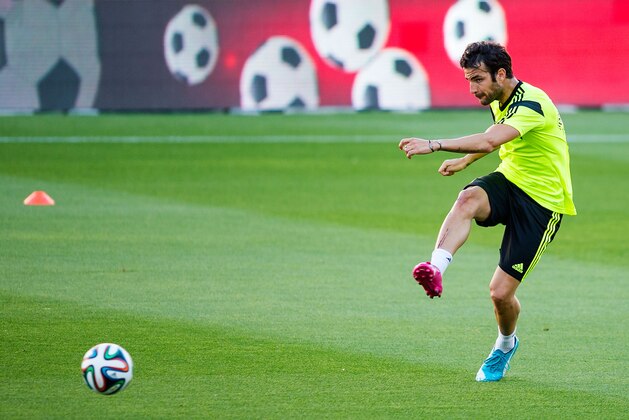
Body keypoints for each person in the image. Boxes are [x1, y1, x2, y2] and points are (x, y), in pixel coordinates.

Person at [398, 41, 576, 382]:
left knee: (500, 293)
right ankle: (435, 269)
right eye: (468, 80)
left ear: (501, 74)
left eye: (477, 79)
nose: (472, 88)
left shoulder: (532, 103)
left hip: (543, 203)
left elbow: (489, 141)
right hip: (511, 181)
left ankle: (505, 345)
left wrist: (434, 145)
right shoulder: (500, 98)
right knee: (467, 200)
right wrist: (465, 161)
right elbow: (494, 137)